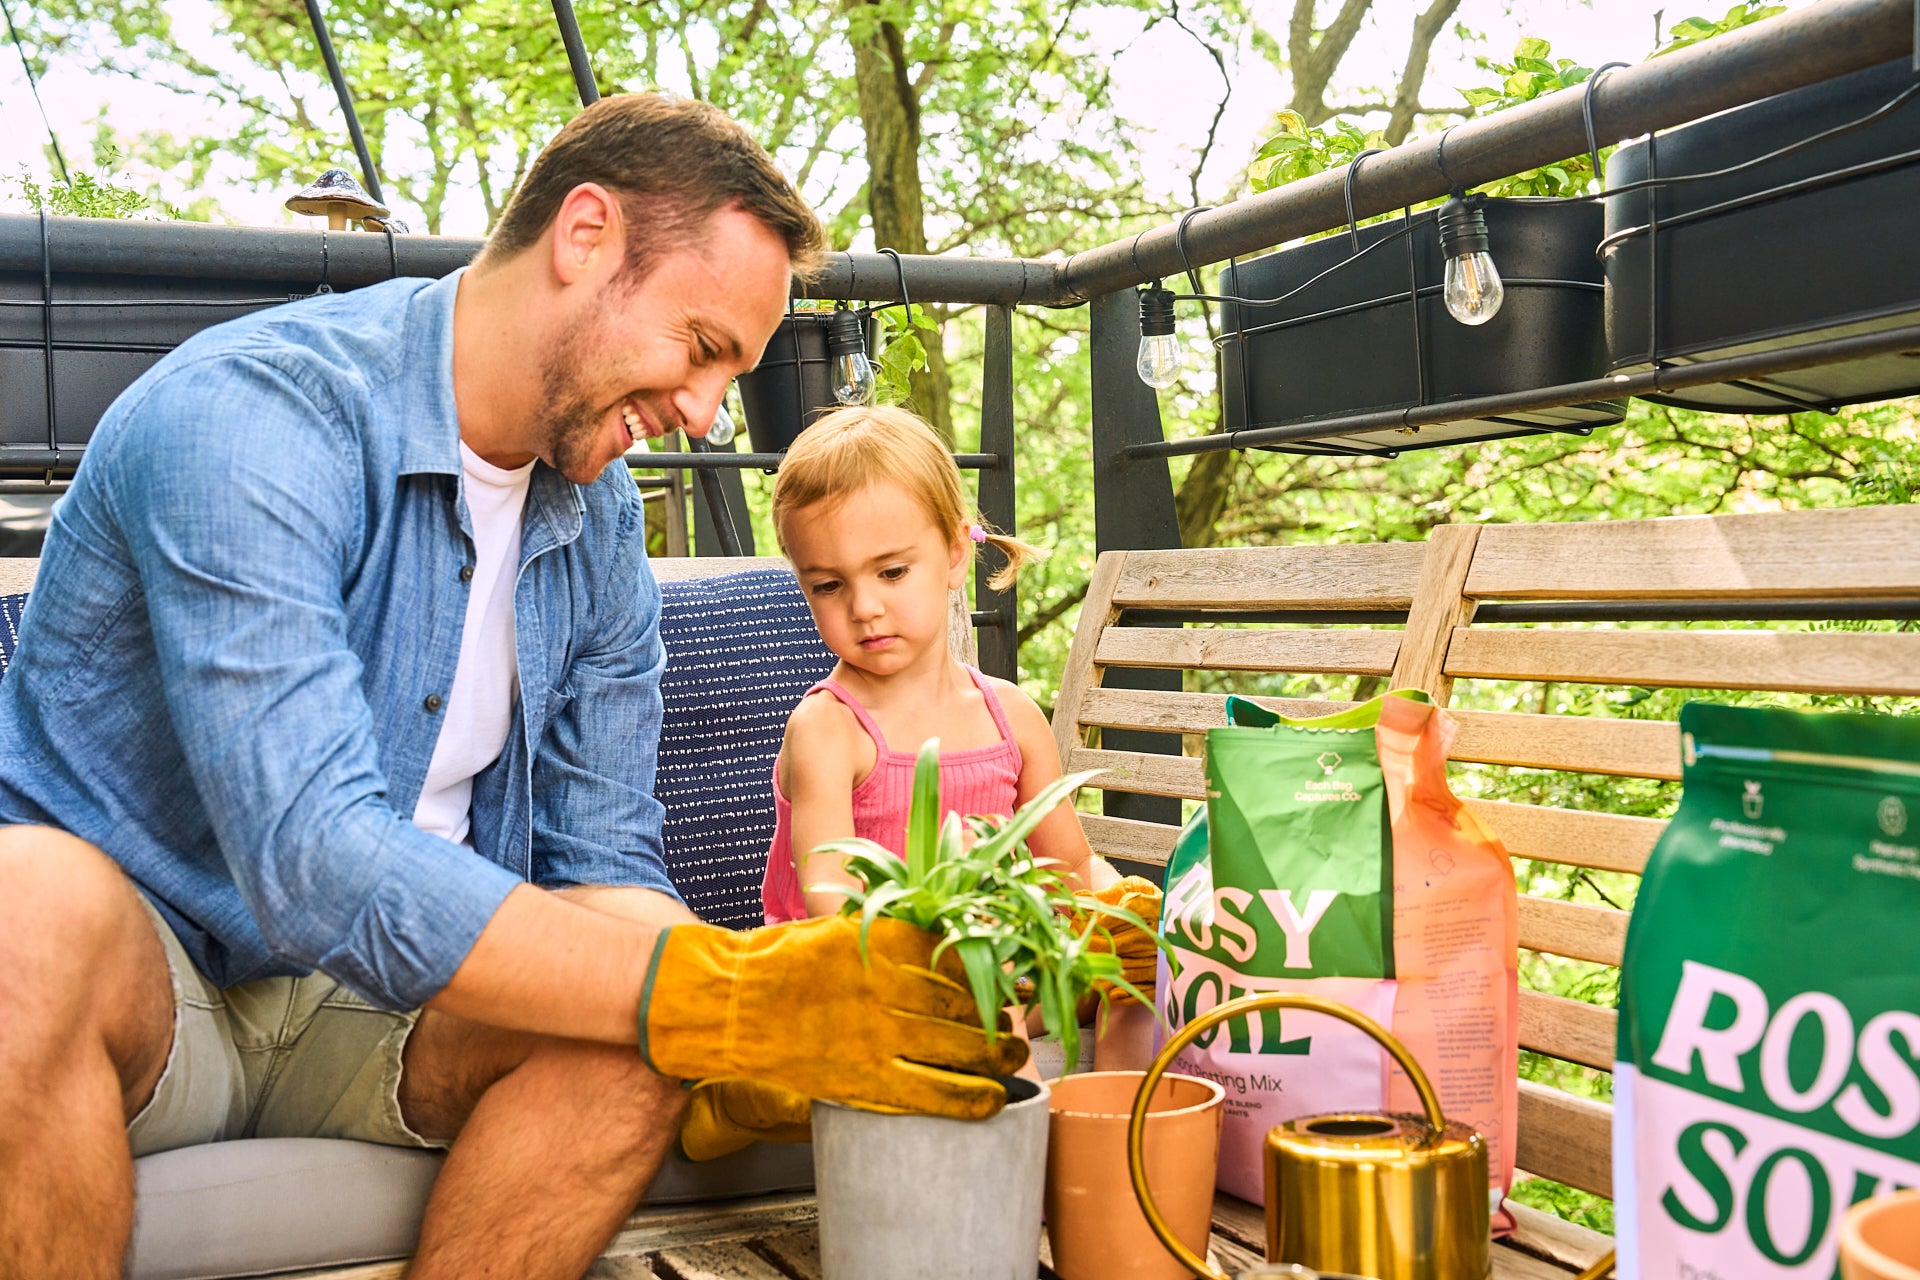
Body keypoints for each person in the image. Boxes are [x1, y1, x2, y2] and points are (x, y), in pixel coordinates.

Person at [0, 94, 1022, 1280]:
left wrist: (755, 1034)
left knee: (637, 1018)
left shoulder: (597, 533)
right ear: (584, 235)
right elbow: (311, 855)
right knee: (22, 901)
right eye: (701, 348)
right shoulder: (252, 419)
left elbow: (606, 865)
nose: (703, 414)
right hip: (141, 985)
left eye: (730, 376)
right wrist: (723, 988)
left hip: (379, 1014)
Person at [678, 406, 1161, 1161]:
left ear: (955, 555)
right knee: (980, 1024)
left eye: (892, 572)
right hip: (857, 978)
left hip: (993, 968)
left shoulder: (1012, 718)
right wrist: (949, 956)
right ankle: (749, 1093)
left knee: (1135, 963)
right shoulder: (828, 729)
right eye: (827, 586)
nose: (864, 607)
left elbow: (1070, 868)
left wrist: (1113, 912)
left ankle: (1127, 1151)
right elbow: (831, 893)